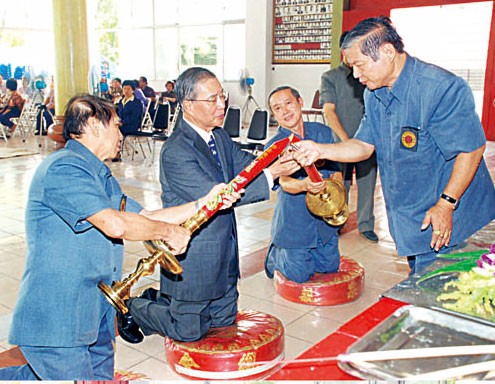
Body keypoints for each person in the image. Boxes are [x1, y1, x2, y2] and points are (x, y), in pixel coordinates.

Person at [0, 94, 235, 380]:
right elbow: (115, 225)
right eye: (116, 125)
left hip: (94, 310)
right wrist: (169, 232)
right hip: (58, 317)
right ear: (93, 124)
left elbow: (146, 216)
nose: (121, 134)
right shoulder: (63, 169)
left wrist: (205, 202)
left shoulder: (100, 176)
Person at [293, 16, 495, 275]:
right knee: (422, 281)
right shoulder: (375, 92)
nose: (356, 75)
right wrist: (320, 149)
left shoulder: (440, 88)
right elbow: (364, 145)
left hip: (455, 217)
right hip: (416, 216)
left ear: (387, 52)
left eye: (359, 65)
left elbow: (471, 149)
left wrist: (446, 203)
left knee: (446, 295)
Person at [119, 67, 300, 344]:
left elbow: (246, 164)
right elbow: (215, 198)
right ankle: (133, 308)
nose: (221, 105)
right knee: (188, 331)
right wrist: (273, 173)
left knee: (223, 323)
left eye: (222, 97)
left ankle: (159, 298)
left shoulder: (218, 135)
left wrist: (278, 155)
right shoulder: (177, 150)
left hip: (224, 253)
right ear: (188, 105)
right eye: (212, 99)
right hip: (194, 256)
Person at [264, 86, 342, 283]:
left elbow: (336, 170)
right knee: (298, 274)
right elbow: (284, 182)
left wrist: (336, 200)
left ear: (300, 102)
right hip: (294, 218)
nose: (285, 111)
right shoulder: (273, 147)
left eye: (288, 103)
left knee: (329, 267)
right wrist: (305, 185)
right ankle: (275, 256)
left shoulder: (322, 132)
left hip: (323, 217)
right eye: (277, 108)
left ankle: (305, 252)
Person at [320, 31, 378, 243]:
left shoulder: (369, 74)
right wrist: (345, 141)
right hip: (341, 143)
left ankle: (365, 224)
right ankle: (336, 223)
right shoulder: (331, 77)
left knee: (367, 183)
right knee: (339, 185)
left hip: (368, 141)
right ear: (342, 51)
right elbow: (329, 111)